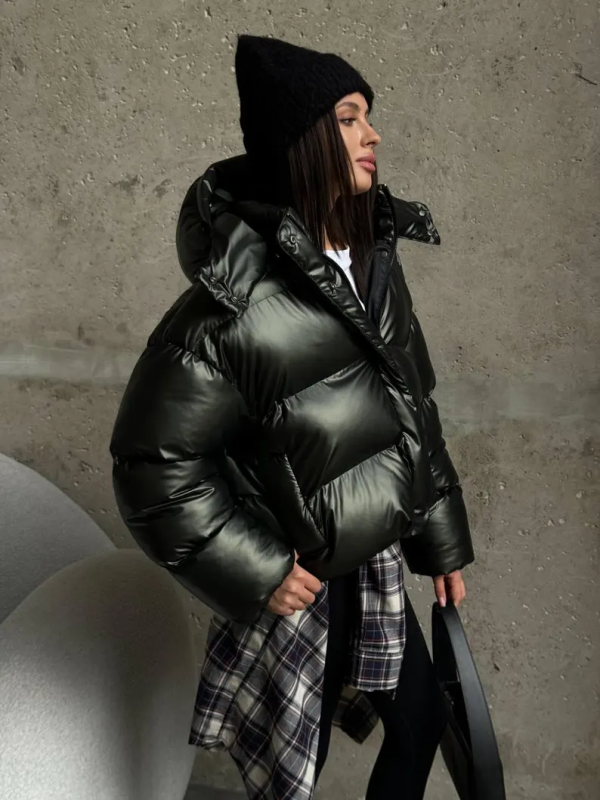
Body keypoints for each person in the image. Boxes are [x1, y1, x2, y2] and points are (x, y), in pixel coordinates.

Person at [110, 34, 474, 800]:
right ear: (302, 142)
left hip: (374, 555)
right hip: (308, 578)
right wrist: (263, 571)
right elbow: (151, 463)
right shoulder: (231, 303)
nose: (373, 134)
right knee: (294, 778)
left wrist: (439, 539)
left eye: (368, 116)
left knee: (419, 724)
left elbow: (414, 402)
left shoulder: (371, 260)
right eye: (348, 117)